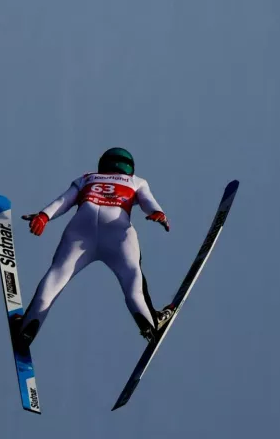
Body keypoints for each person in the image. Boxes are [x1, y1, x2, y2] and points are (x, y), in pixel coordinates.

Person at [11, 147, 174, 349]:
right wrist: (158, 213)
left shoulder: (87, 178)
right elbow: (147, 200)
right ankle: (150, 320)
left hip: (81, 230)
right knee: (132, 275)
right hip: (117, 229)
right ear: (129, 168)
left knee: (55, 277)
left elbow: (64, 200)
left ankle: (27, 327)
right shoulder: (136, 181)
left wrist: (44, 216)